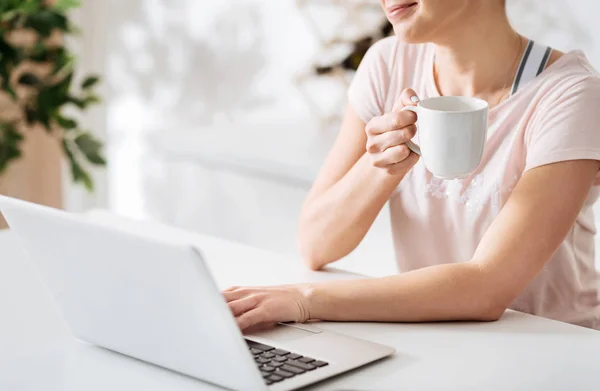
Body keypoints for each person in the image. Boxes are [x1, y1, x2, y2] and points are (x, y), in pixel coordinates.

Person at [224, 0, 600, 330]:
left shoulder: (571, 94)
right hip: (436, 336)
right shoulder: (388, 63)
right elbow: (315, 244)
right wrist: (383, 166)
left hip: (554, 347)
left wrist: (307, 301)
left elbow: (486, 288)